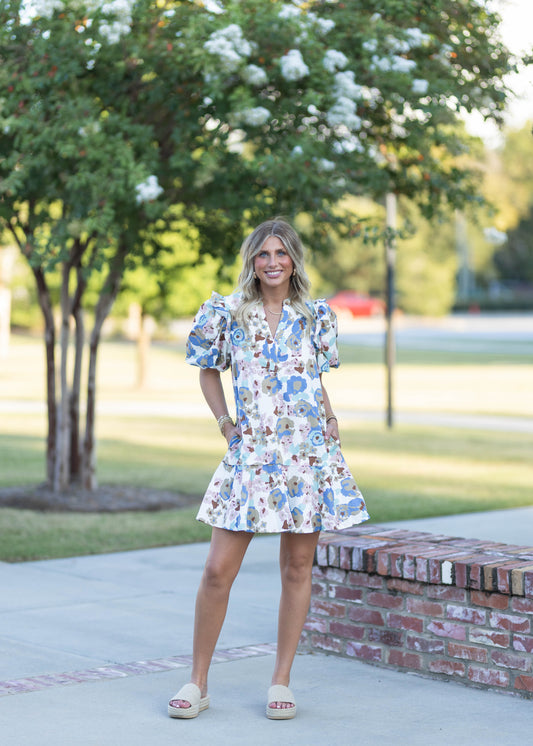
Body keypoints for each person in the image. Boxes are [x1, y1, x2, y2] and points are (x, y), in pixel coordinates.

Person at [168, 217, 369, 720]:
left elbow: (309, 378)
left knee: (297, 568)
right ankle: (198, 682)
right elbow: (207, 368)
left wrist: (330, 416)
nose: (273, 262)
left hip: (306, 456)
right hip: (251, 456)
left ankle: (281, 680)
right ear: (252, 262)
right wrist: (226, 425)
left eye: (281, 253)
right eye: (263, 254)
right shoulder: (229, 313)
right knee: (218, 570)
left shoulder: (315, 317)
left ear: (294, 259)